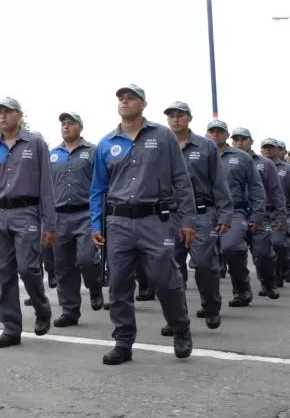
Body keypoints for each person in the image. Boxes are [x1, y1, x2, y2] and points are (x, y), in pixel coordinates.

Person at [89, 84, 195, 365]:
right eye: (121, 98)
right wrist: (95, 225)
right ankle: (123, 342)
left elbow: (181, 180)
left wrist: (187, 219)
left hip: (155, 221)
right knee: (119, 283)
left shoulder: (162, 136)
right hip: (118, 222)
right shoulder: (105, 143)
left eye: (130, 97)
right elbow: (98, 188)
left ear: (143, 104)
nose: (124, 101)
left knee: (164, 278)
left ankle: (180, 326)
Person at [0, 97, 55, 347]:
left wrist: (49, 223)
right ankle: (11, 327)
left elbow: (46, 186)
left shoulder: (35, 143)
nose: (2, 116)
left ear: (19, 115)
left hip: (27, 213)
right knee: (5, 273)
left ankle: (42, 308)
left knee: (27, 268)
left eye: (7, 111)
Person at [162, 102, 232, 332]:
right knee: (171, 268)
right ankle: (177, 318)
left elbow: (219, 182)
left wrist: (225, 215)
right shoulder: (160, 145)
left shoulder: (206, 146)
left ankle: (211, 307)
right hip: (170, 215)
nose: (175, 119)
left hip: (202, 213)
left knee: (203, 263)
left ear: (189, 118)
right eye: (171, 116)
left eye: (180, 115)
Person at [49, 112, 105, 327]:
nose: (66, 126)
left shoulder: (92, 151)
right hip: (59, 215)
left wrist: (99, 216)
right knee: (63, 266)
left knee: (86, 259)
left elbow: (101, 185)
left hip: (86, 213)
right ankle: (70, 311)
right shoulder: (52, 154)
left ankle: (95, 286)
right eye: (63, 123)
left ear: (80, 127)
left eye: (71, 123)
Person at [205, 120, 266, 306]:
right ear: (207, 134)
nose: (215, 134)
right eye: (211, 131)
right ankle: (209, 303)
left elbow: (256, 187)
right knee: (204, 259)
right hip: (205, 210)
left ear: (226, 135)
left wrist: (257, 214)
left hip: (234, 210)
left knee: (230, 247)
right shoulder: (199, 154)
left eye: (219, 131)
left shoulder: (242, 157)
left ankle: (242, 287)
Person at [230, 127, 285, 300]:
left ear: (251, 141)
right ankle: (241, 290)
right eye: (236, 139)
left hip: (262, 215)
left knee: (263, 253)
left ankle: (269, 282)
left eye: (243, 139)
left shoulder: (265, 163)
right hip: (236, 214)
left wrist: (281, 215)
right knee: (233, 252)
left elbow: (276, 192)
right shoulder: (224, 160)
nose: (239, 143)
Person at [261, 138, 290, 286]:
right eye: (265, 148)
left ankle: (285, 268)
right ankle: (272, 278)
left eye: (271, 148)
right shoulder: (257, 166)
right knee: (265, 247)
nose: (268, 150)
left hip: (283, 211)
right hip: (262, 212)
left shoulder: (286, 169)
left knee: (279, 244)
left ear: (278, 150)